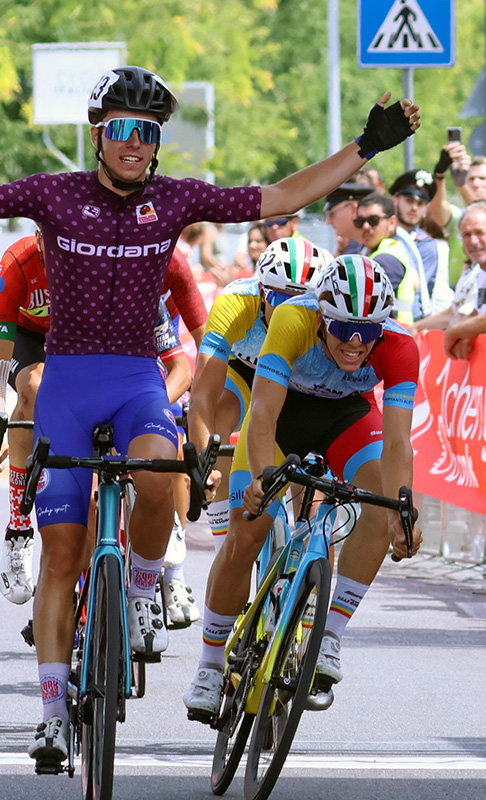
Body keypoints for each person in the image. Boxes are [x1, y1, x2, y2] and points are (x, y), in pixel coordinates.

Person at [0, 66, 419, 768]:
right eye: (122, 129)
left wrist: (366, 147)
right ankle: (53, 711)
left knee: (156, 475)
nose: (136, 143)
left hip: (137, 378)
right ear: (98, 134)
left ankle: (143, 587)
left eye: (148, 132)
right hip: (70, 382)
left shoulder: (172, 201)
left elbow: (281, 193)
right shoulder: (56, 195)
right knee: (60, 554)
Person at [184, 255, 423, 720]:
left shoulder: (400, 346)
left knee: (379, 507)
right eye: (342, 329)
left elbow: (397, 441)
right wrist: (257, 479)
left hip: (346, 415)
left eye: (368, 332)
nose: (355, 344)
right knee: (248, 531)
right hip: (283, 414)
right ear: (321, 314)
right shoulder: (294, 317)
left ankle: (329, 634)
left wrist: (403, 510)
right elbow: (265, 415)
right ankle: (211, 664)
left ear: (383, 326)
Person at [0, 230, 203, 608]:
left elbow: (196, 354)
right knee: (34, 388)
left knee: (164, 422)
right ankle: (19, 528)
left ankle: (169, 557)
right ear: (40, 241)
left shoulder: (128, 268)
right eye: (56, 254)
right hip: (32, 337)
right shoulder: (18, 264)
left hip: (118, 340)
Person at [187, 237, 332, 611]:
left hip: (295, 382)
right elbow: (202, 392)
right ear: (262, 290)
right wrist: (204, 456)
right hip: (243, 371)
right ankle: (226, 539)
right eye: (281, 299)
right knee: (218, 420)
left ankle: (302, 555)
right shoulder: (236, 303)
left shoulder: (321, 320)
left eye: (304, 302)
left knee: (308, 471)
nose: (291, 310)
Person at [416, 203, 486, 359]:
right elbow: (472, 312)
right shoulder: (482, 269)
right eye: (466, 235)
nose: (473, 241)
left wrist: (454, 332)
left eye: (480, 233)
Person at [351, 193, 424, 325]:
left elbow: (353, 298)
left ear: (392, 223)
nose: (365, 226)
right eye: (360, 221)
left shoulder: (388, 258)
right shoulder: (373, 252)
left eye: (373, 220)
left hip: (394, 339)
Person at [388, 169, 452, 314]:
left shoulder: (427, 245)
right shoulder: (381, 233)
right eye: (409, 201)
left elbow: (418, 295)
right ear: (395, 199)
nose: (414, 208)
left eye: (421, 203)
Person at [323, 182, 373, 257]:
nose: (328, 222)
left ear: (353, 210)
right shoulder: (351, 246)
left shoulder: (375, 247)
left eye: (331, 214)